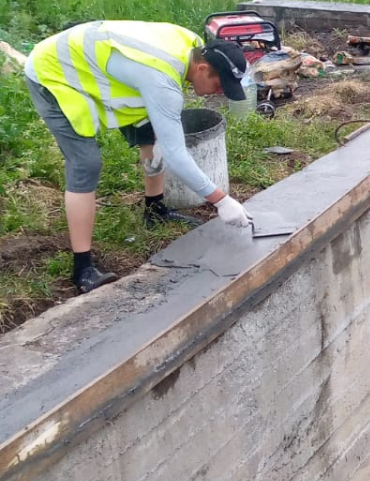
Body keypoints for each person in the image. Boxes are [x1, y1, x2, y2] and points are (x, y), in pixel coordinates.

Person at [24, 19, 254, 294]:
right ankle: (82, 267)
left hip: (98, 66)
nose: (219, 93)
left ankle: (154, 210)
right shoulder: (161, 79)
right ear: (202, 68)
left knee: (151, 132)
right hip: (54, 73)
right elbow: (176, 155)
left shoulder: (191, 46)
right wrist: (222, 201)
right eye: (219, 85)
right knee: (86, 163)